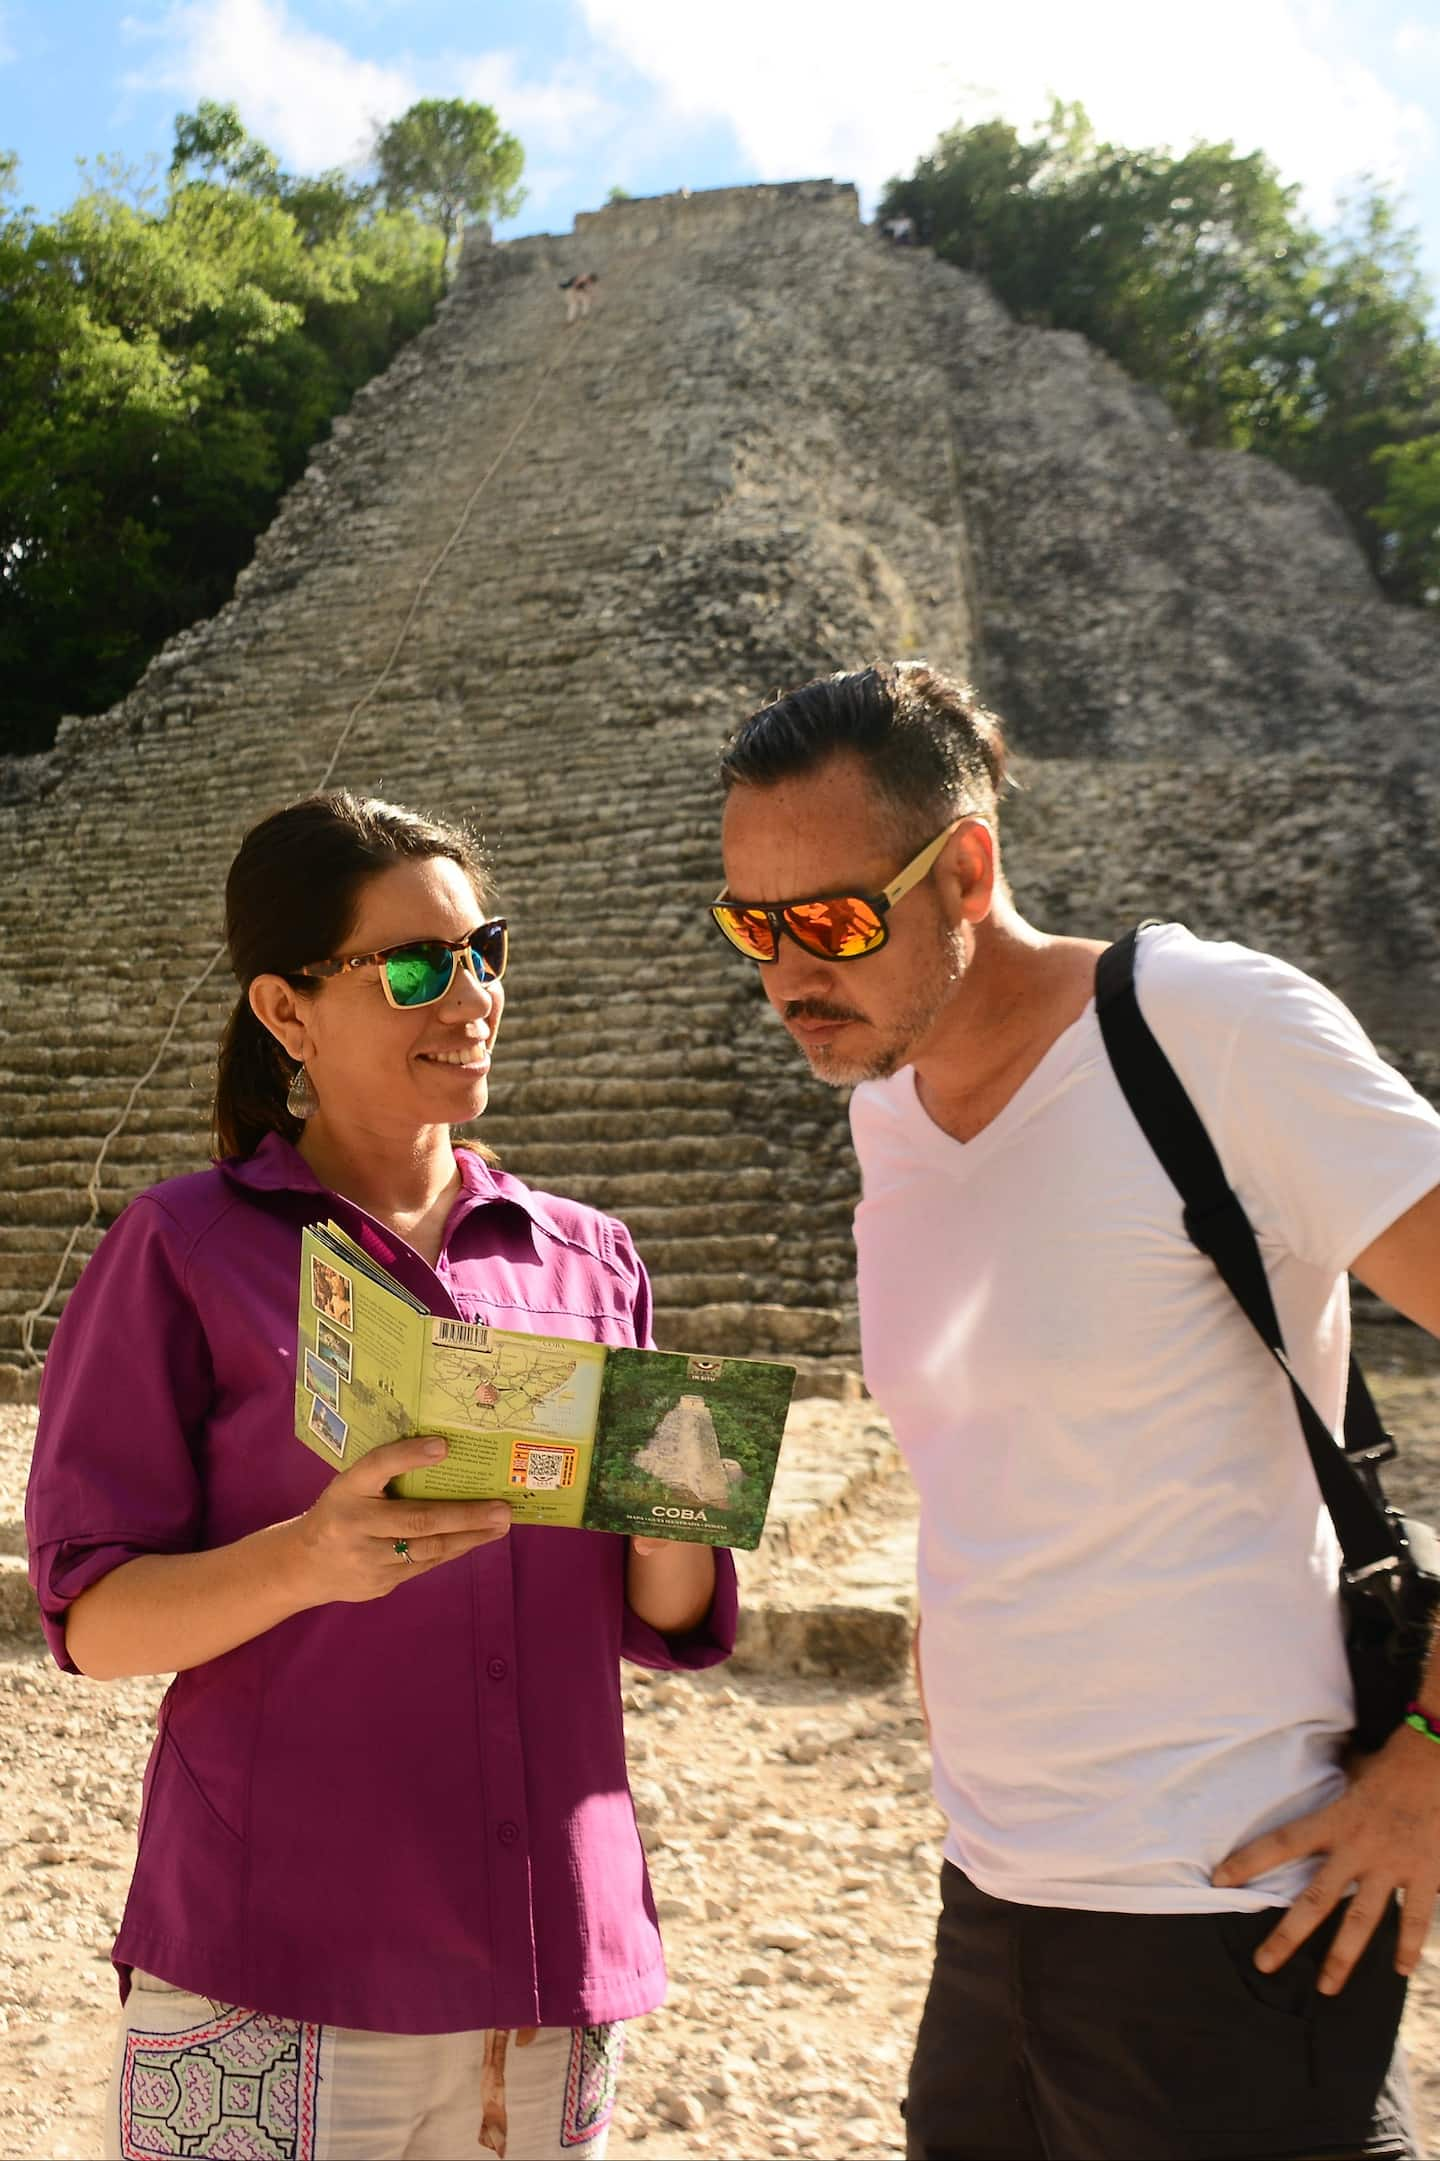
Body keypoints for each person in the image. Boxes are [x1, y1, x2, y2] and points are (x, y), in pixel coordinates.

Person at [710, 661, 1440, 2160]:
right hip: (994, 1907)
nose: (787, 975)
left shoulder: (1207, 1029)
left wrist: (1436, 1749)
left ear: (965, 869)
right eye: (752, 925)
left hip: (1232, 1913)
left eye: (833, 921)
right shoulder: (887, 1120)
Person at [26, 791, 734, 2161]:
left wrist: (676, 1487)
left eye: (485, 953)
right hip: (273, 1963)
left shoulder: (589, 1261)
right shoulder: (181, 1250)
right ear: (288, 1013)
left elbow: (659, 1611)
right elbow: (93, 1622)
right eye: (414, 968)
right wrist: (308, 1559)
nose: (468, 997)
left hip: (547, 1967)